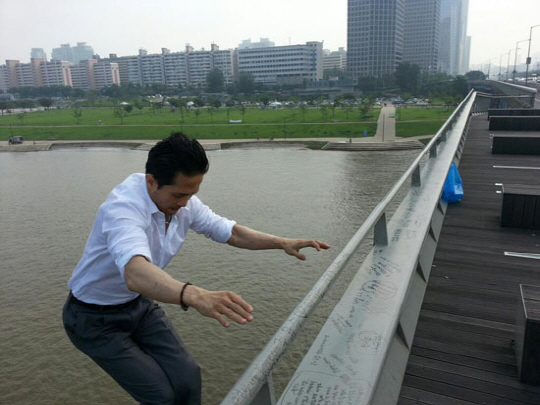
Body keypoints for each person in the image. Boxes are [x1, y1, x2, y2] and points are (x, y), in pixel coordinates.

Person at [62, 133, 329, 405]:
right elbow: (135, 272)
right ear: (151, 182)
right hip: (93, 319)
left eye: (192, 194)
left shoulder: (183, 201)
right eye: (179, 195)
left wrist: (281, 242)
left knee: (188, 378)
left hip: (138, 305)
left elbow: (230, 232)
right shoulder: (123, 208)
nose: (185, 204)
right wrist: (194, 295)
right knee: (161, 396)